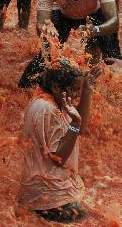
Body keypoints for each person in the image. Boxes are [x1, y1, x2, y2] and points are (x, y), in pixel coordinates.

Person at [19, 0, 119, 87]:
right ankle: (28, 85)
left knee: (112, 57)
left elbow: (114, 21)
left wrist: (96, 30)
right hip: (63, 14)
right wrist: (47, 32)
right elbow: (40, 24)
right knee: (48, 50)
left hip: (95, 13)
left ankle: (114, 90)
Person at [18, 61, 99, 223]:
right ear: (56, 87)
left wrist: (87, 91)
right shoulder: (48, 110)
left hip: (44, 189)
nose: (76, 95)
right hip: (49, 197)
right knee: (91, 221)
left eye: (78, 89)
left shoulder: (52, 100)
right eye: (74, 90)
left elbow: (80, 129)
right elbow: (59, 159)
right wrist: (74, 124)